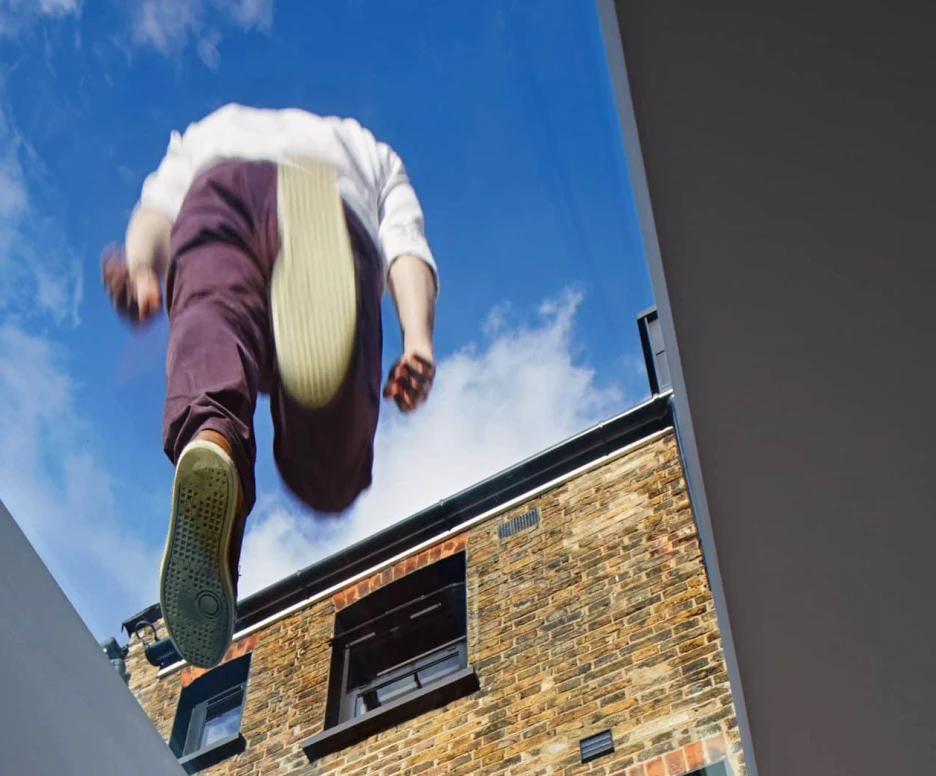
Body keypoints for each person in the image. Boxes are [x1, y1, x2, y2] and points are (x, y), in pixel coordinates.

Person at [102, 104, 438, 669]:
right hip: (338, 195)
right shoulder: (376, 151)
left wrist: (140, 268)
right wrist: (418, 339)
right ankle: (315, 287)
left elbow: (158, 209)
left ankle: (213, 440)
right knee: (328, 475)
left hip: (218, 190)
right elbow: (407, 245)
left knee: (212, 327)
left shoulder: (208, 126)